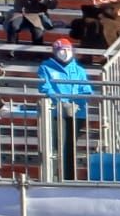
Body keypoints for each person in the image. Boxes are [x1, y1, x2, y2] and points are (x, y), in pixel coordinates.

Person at [38, 35, 93, 180]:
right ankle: (54, 176)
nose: (64, 52)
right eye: (61, 50)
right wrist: (60, 101)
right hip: (55, 112)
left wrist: (76, 102)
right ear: (55, 51)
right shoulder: (46, 67)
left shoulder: (79, 70)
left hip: (77, 112)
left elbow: (86, 89)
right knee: (56, 145)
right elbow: (45, 87)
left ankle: (69, 177)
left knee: (70, 146)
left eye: (67, 49)